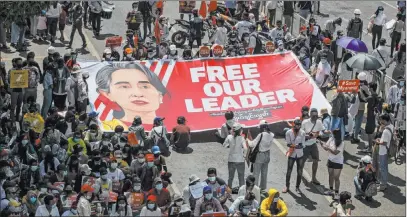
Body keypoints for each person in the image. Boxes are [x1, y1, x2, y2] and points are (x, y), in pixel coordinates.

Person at [96, 62, 168, 130]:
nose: (138, 94)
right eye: (124, 87)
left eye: (145, 87)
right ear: (107, 94)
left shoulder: (167, 128)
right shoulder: (106, 127)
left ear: (160, 95)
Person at [246, 120, 274, 190]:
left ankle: (255, 189)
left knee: (256, 173)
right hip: (267, 154)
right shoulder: (272, 134)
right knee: (264, 172)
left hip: (260, 155)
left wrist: (247, 140)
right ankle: (263, 188)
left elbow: (252, 144)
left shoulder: (261, 135)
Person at [283, 119, 306, 193]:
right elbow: (288, 143)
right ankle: (287, 186)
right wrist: (295, 146)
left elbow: (303, 144)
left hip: (300, 154)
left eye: (300, 125)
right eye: (297, 125)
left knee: (299, 172)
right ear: (294, 125)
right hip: (292, 154)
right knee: (289, 171)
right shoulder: (288, 132)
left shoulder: (302, 132)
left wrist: (299, 146)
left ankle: (297, 187)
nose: (298, 126)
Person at [322, 128, 344, 200]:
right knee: (330, 175)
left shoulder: (341, 143)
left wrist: (327, 148)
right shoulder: (331, 139)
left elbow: (335, 152)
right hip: (330, 160)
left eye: (333, 134)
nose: (332, 134)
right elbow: (326, 147)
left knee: (336, 178)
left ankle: (337, 193)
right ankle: (331, 190)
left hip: (338, 162)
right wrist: (323, 145)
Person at [223, 123, 246, 188]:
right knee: (241, 177)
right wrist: (244, 155)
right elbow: (245, 148)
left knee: (230, 177)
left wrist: (229, 145)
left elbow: (224, 145)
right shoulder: (242, 138)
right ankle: (242, 191)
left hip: (231, 159)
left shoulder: (229, 137)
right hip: (240, 160)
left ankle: (229, 191)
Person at [375, 113, 394, 191]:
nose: (380, 121)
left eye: (380, 120)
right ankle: (384, 182)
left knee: (383, 168)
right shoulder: (391, 126)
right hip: (387, 150)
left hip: (383, 151)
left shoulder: (386, 131)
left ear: (383, 120)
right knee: (385, 167)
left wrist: (378, 141)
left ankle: (383, 185)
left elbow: (384, 143)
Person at [351, 72, 370, 143]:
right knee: (358, 122)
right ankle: (355, 136)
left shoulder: (355, 85)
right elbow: (368, 97)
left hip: (354, 106)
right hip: (361, 107)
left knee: (354, 119)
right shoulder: (365, 87)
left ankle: (353, 133)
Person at [363, 83, 380, 153]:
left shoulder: (370, 97)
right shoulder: (376, 96)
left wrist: (358, 92)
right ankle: (370, 145)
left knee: (369, 133)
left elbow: (363, 99)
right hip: (373, 117)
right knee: (371, 132)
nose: (368, 88)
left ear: (372, 88)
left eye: (369, 87)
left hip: (370, 117)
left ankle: (370, 148)